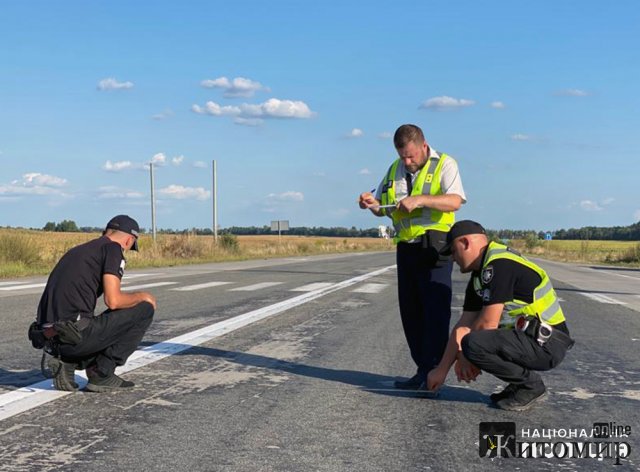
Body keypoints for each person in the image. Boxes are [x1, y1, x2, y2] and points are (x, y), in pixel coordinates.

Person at [358, 124, 466, 389]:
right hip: (406, 247)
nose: (407, 162)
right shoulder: (394, 169)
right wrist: (370, 204)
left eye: (411, 156)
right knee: (411, 312)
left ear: (424, 146)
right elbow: (383, 209)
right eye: (402, 156)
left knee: (435, 313)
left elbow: (455, 201)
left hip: (435, 247)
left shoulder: (445, 164)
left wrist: (420, 200)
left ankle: (434, 374)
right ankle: (422, 370)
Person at [426, 220, 574, 410]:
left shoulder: (499, 264)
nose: (453, 259)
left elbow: (488, 323)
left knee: (474, 343)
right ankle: (518, 385)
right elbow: (464, 324)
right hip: (530, 339)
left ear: (465, 243)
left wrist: (466, 357)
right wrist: (440, 371)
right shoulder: (479, 276)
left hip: (549, 343)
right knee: (472, 341)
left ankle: (530, 386)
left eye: (453, 251)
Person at [34, 215, 156, 392]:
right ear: (130, 240)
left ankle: (67, 363)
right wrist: (143, 296)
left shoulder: (78, 251)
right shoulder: (113, 249)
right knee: (145, 309)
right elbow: (113, 301)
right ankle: (101, 372)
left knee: (87, 322)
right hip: (74, 337)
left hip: (50, 338)